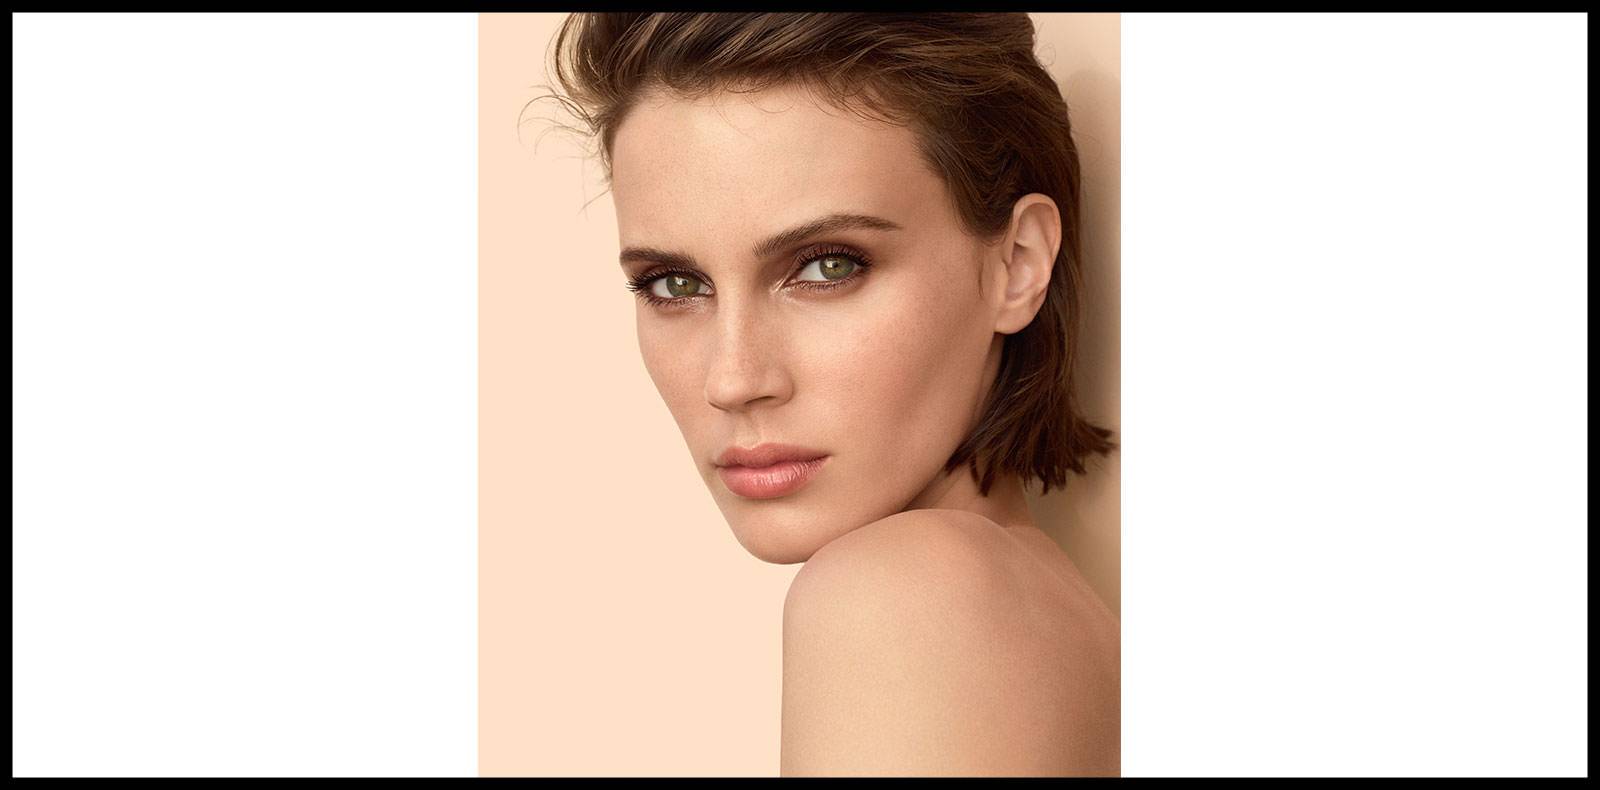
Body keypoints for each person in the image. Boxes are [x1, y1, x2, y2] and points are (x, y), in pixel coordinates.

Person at [536, 12, 1119, 777]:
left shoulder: (899, 594)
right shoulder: (1049, 612)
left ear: (1018, 263)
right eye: (674, 285)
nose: (733, 379)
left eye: (828, 267)